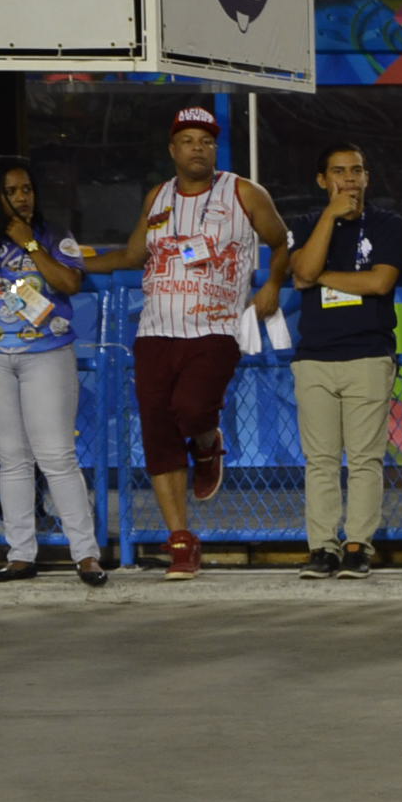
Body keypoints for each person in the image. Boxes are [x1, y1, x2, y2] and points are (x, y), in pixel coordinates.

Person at [86, 106, 287, 580]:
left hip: (216, 326)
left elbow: (280, 242)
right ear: (172, 150)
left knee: (194, 408)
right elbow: (135, 253)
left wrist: (272, 284)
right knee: (157, 429)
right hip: (155, 330)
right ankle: (181, 540)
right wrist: (75, 262)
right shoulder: (158, 196)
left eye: (206, 141)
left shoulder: (242, 192)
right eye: (188, 140)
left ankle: (208, 441)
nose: (198, 148)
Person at [0, 161, 106, 586]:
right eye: (12, 190)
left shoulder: (54, 234)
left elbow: (68, 283)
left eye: (28, 188)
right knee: (11, 458)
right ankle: (20, 554)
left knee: (57, 456)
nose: (23, 196)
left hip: (46, 351)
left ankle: (85, 555)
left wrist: (30, 246)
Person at [288, 144, 402, 581]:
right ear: (323, 181)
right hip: (315, 357)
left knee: (365, 459)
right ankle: (323, 547)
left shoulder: (388, 223)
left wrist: (316, 278)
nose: (350, 179)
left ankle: (358, 545)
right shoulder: (305, 223)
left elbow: (379, 282)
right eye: (339, 171)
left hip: (369, 355)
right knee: (319, 459)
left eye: (357, 170)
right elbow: (302, 265)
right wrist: (328, 217)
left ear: (367, 176)